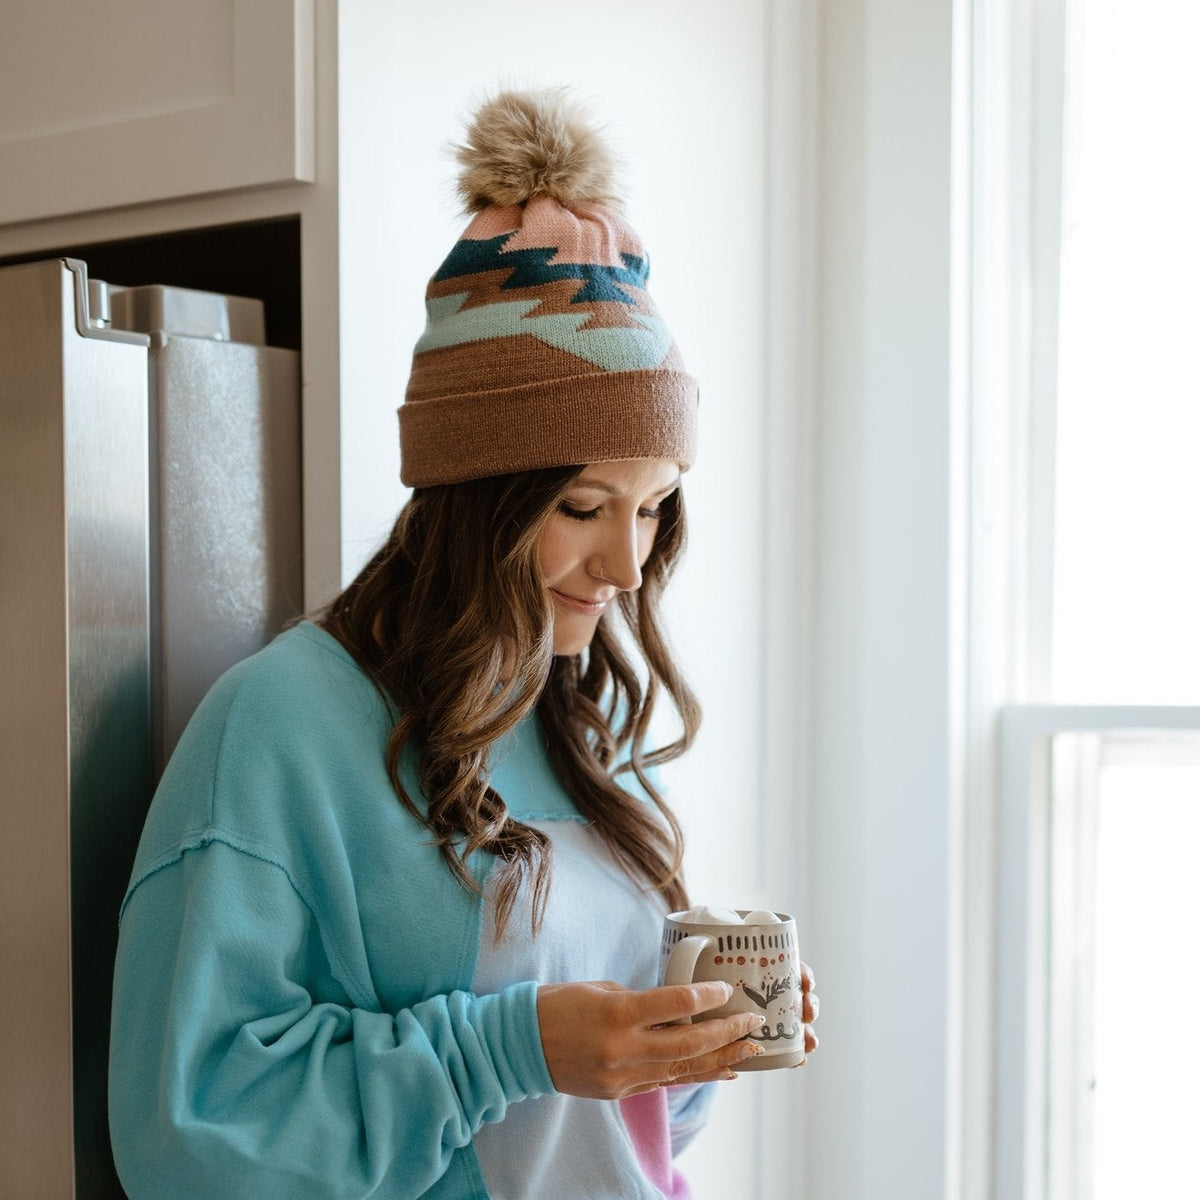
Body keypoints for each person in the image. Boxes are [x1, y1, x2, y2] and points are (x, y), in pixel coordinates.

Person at [108, 88, 818, 1200]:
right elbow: (191, 1136)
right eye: (584, 508)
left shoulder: (580, 724)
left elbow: (622, 1138)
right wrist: (513, 1047)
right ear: (473, 495)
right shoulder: (281, 728)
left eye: (654, 507)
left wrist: (694, 1036)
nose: (628, 566)